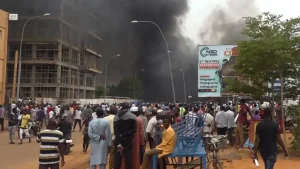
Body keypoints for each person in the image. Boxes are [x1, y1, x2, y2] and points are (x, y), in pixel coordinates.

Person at [114, 102, 137, 169]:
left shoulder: (117, 116)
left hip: (119, 141)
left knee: (118, 160)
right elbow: (134, 130)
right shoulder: (133, 117)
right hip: (128, 141)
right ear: (129, 108)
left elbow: (116, 131)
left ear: (121, 107)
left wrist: (119, 139)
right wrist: (125, 134)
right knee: (128, 160)